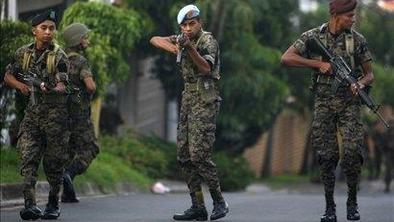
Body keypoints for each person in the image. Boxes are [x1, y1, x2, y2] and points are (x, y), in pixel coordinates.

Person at [281, 0, 374, 221]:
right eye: (350, 15)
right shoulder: (313, 36)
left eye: (354, 15)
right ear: (336, 14)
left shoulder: (357, 40)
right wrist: (318, 65)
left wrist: (360, 84)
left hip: (349, 105)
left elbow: (370, 74)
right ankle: (329, 207)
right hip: (323, 104)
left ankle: (352, 201)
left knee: (352, 153)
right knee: (326, 156)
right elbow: (286, 58)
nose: (354, 19)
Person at [150, 4, 229, 221]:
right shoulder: (181, 38)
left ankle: (219, 202)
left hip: (205, 100)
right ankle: (198, 206)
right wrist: (175, 47)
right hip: (188, 100)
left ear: (200, 23)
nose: (187, 28)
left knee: (199, 155)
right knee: (184, 156)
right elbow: (155, 39)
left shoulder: (207, 41)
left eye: (191, 24)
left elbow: (206, 69)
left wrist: (189, 48)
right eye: (184, 25)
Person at [4, 10, 69, 220]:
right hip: (32, 116)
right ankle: (30, 205)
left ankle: (52, 203)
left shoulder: (59, 56)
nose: (48, 32)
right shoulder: (23, 53)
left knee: (53, 163)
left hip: (55, 118)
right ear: (34, 31)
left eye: (51, 28)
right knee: (28, 158)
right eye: (44, 28)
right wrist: (21, 86)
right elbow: (8, 76)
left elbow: (62, 83)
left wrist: (51, 88)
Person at [61, 23, 99, 203]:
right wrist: (90, 90)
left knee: (69, 151)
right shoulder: (80, 61)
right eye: (84, 37)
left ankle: (66, 193)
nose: (87, 40)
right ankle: (70, 173)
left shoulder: (60, 60)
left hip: (62, 114)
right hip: (80, 115)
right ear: (77, 40)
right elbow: (90, 86)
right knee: (90, 148)